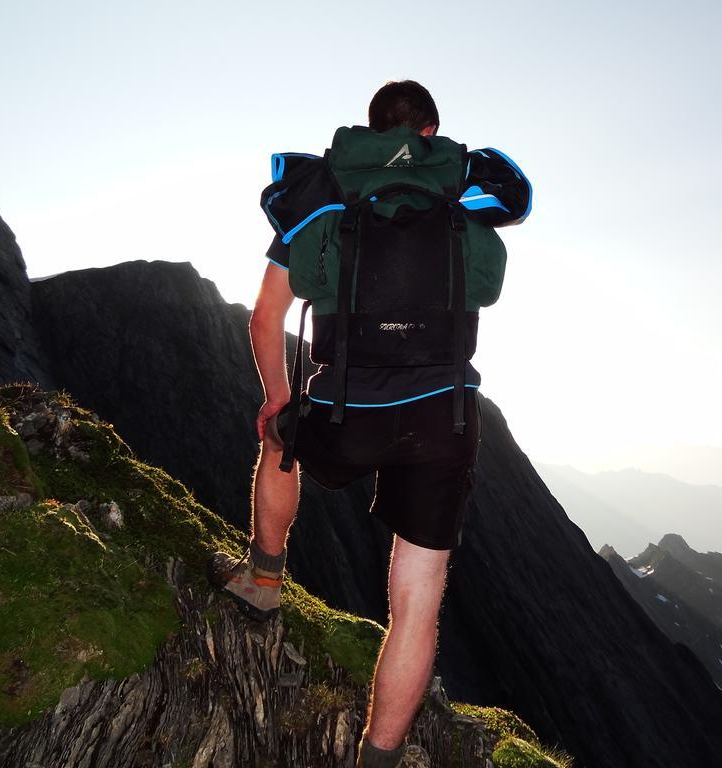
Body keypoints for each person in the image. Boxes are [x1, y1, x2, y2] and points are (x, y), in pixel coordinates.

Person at [208, 80, 531, 768]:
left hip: (344, 406)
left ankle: (263, 583)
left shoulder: (322, 198)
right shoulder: (464, 206)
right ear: (433, 133)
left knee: (278, 442)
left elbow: (265, 318)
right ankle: (377, 759)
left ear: (371, 129)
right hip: (443, 417)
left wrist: (277, 397)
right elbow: (486, 291)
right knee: (417, 607)